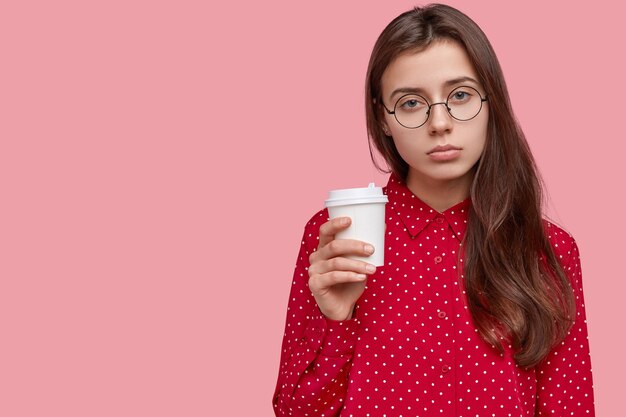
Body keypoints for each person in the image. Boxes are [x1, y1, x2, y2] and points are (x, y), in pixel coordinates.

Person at [272, 4, 595, 416]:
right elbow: (295, 411)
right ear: (382, 118)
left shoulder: (548, 248)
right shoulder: (339, 234)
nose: (439, 123)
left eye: (460, 96)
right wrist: (336, 319)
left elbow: (569, 407)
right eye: (410, 102)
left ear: (490, 101)